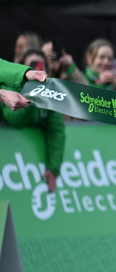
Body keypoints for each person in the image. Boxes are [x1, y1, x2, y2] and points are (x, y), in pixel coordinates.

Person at [1, 50, 64, 193]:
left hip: (25, 165)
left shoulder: (51, 95)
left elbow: (56, 131)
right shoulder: (9, 87)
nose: (37, 71)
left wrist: (53, 168)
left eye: (41, 67)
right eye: (32, 65)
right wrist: (32, 96)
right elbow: (15, 120)